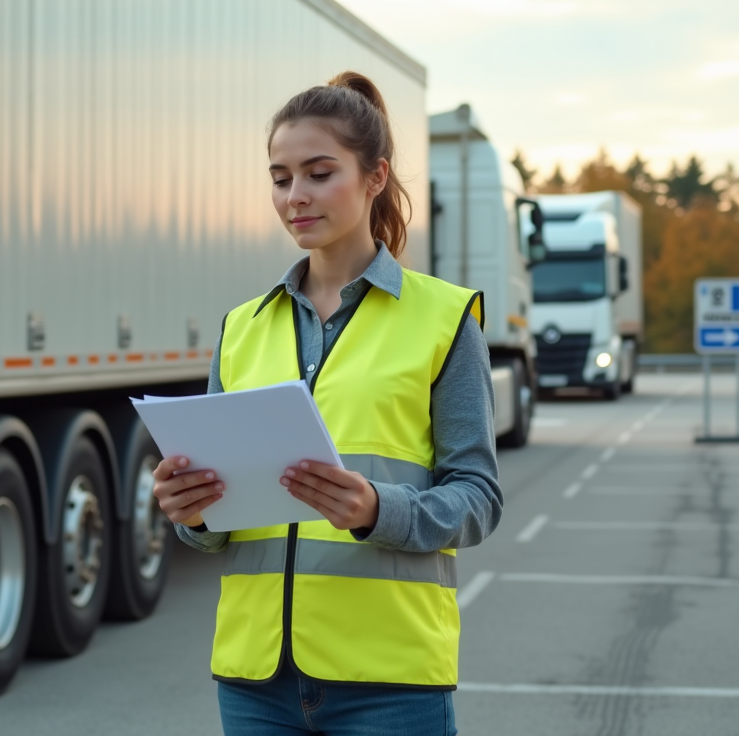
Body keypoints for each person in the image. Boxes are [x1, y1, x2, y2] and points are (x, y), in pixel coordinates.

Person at [151, 71, 502, 736]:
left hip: (389, 679)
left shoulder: (445, 320)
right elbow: (214, 527)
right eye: (280, 178)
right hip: (256, 683)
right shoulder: (241, 328)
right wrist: (190, 511)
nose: (295, 196)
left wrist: (377, 509)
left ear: (375, 177)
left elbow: (478, 497)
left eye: (318, 173)